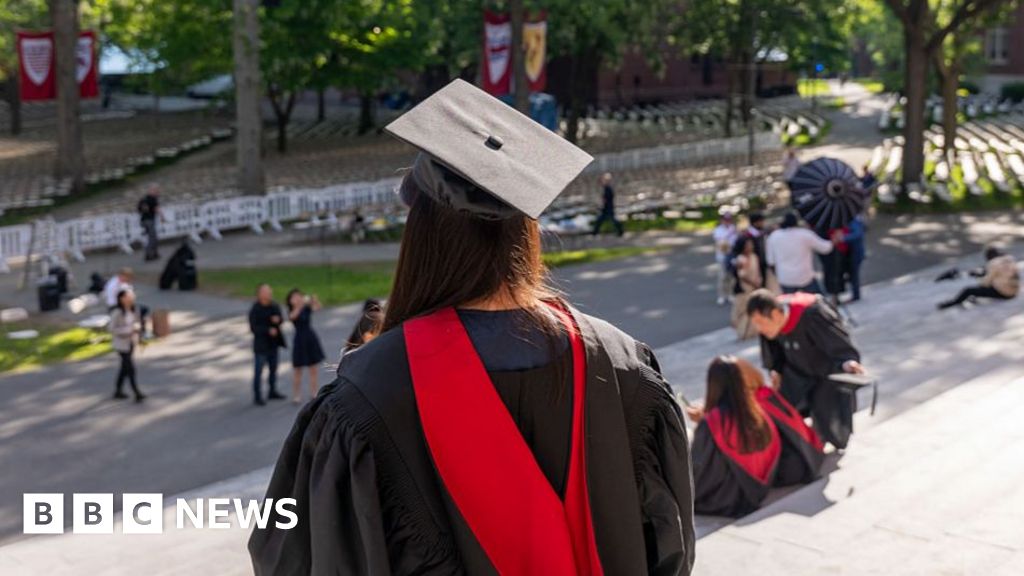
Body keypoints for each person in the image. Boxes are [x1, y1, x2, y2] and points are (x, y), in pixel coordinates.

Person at [249, 79, 695, 575]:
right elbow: (669, 548)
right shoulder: (622, 364)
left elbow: (297, 559)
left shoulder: (370, 391)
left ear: (421, 237)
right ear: (526, 232)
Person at [685, 356, 823, 517]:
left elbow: (698, 467)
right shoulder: (760, 408)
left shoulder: (713, 421)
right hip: (764, 484)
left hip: (730, 497)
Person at [747, 289, 865, 449]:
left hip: (825, 373)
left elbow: (839, 344)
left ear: (775, 314)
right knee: (780, 408)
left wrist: (847, 363)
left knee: (831, 426)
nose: (760, 329)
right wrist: (776, 369)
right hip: (796, 372)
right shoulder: (771, 321)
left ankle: (822, 439)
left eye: (760, 323)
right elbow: (774, 350)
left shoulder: (811, 313)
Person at [766, 212, 834, 294]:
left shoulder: (773, 236)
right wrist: (834, 240)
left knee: (791, 302)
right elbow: (825, 248)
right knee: (816, 300)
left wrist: (777, 275)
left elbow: (771, 261)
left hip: (785, 278)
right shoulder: (805, 234)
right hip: (805, 276)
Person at [938, 246, 1019, 309]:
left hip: (1005, 294)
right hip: (1014, 291)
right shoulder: (1010, 259)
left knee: (968, 290)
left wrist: (980, 282)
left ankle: (954, 302)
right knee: (987, 275)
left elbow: (985, 283)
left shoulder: (993, 263)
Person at [249, 284, 287, 406]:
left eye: (269, 291)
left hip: (273, 344)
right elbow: (253, 328)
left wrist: (278, 320)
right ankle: (257, 396)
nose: (269, 294)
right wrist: (267, 330)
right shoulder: (255, 309)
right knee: (258, 371)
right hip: (261, 346)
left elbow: (281, 319)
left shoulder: (274, 306)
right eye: (266, 292)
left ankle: (272, 391)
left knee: (273, 369)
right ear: (259, 294)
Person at [286, 288, 326, 404]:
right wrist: (300, 305)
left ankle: (314, 392)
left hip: (310, 338)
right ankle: (296, 395)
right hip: (299, 341)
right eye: (294, 297)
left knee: (313, 369)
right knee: (298, 369)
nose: (298, 298)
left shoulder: (306, 308)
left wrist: (315, 300)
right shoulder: (292, 310)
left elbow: (318, 307)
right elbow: (292, 317)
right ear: (290, 300)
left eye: (299, 296)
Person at [110, 289, 146, 402]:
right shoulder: (117, 313)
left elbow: (138, 322)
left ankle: (118, 390)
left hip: (131, 342)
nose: (131, 298)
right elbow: (112, 329)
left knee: (124, 368)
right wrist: (128, 330)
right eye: (128, 296)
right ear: (122, 299)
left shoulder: (135, 309)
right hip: (121, 344)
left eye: (131, 296)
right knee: (130, 368)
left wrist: (139, 332)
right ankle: (137, 392)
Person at [730, 236, 763, 340]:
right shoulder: (741, 259)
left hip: (753, 286)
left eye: (750, 245)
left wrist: (758, 282)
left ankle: (750, 331)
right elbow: (742, 275)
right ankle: (743, 332)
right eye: (747, 245)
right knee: (743, 310)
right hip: (745, 288)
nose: (750, 247)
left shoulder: (754, 257)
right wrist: (754, 283)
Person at [103, 267, 150, 336]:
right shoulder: (113, 285)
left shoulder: (122, 282)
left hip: (124, 304)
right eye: (127, 277)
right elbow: (114, 301)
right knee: (139, 311)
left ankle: (141, 330)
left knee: (142, 310)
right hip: (116, 306)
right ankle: (141, 332)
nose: (128, 280)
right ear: (122, 276)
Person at [712, 212, 737, 305]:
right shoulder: (718, 230)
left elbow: (735, 241)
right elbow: (720, 241)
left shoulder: (733, 228)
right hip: (722, 256)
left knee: (731, 277)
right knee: (722, 276)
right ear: (722, 220)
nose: (727, 222)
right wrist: (729, 234)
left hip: (731, 255)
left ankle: (730, 294)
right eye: (726, 220)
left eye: (729, 220)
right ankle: (721, 296)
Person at [591, 172, 625, 237]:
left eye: (603, 180)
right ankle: (594, 233)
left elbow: (607, 199)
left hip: (608, 208)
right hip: (606, 208)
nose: (602, 182)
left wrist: (604, 201)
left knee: (612, 220)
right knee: (600, 220)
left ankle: (621, 231)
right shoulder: (606, 188)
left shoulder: (608, 189)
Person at [137, 185, 162, 261]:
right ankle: (149, 254)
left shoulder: (143, 199)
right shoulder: (153, 199)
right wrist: (163, 217)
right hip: (149, 220)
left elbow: (139, 209)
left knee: (151, 238)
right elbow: (157, 209)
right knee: (153, 238)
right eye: (156, 191)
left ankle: (154, 253)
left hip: (143, 221)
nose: (157, 193)